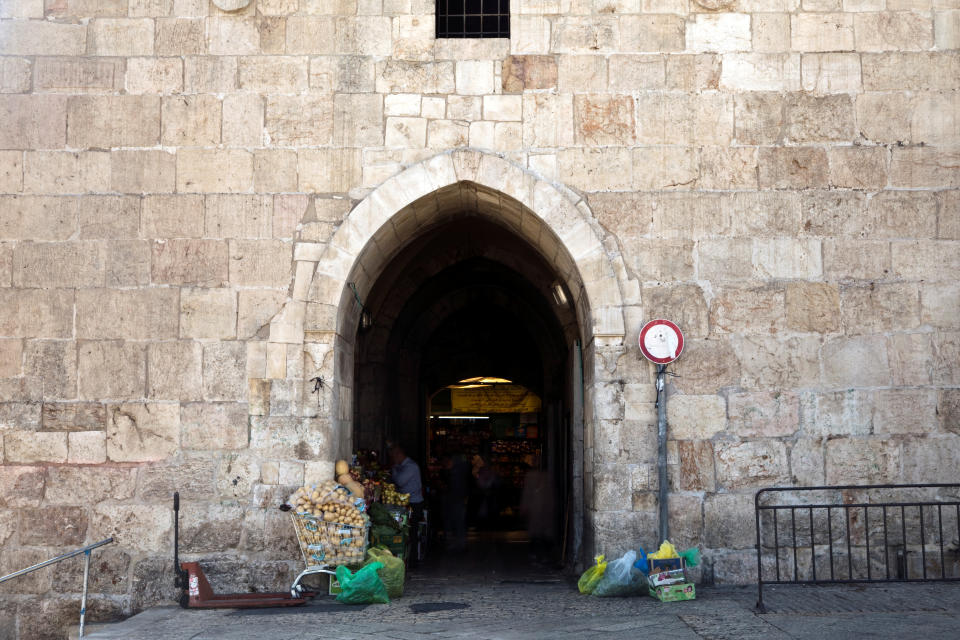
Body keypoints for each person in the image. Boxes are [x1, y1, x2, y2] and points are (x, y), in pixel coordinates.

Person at [389, 445, 424, 563]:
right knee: (406, 531)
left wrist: (393, 468)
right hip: (406, 503)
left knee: (411, 531)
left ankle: (412, 559)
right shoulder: (403, 466)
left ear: (399, 454)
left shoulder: (411, 467)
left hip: (413, 504)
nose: (393, 459)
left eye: (393, 456)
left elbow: (400, 481)